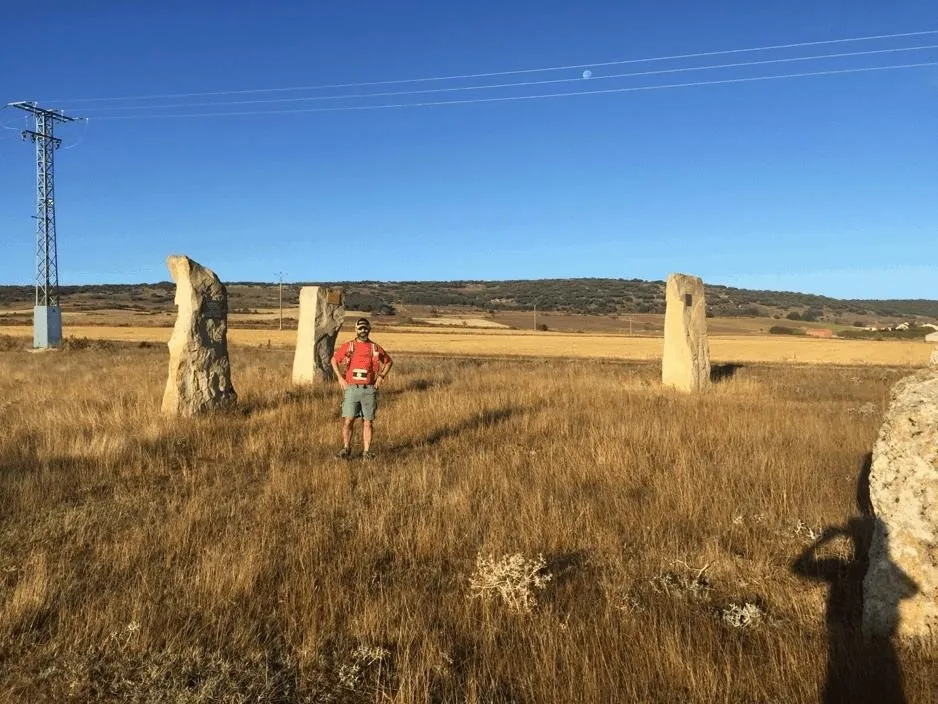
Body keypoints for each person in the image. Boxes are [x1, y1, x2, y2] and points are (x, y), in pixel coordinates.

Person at [330, 317, 393, 460]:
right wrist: (340, 378)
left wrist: (381, 377)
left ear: (369, 330)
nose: (363, 331)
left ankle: (366, 452)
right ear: (355, 330)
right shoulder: (349, 346)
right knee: (348, 420)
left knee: (368, 422)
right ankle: (346, 449)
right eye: (360, 328)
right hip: (352, 389)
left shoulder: (374, 348)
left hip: (369, 389)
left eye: (365, 328)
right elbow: (334, 360)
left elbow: (388, 362)